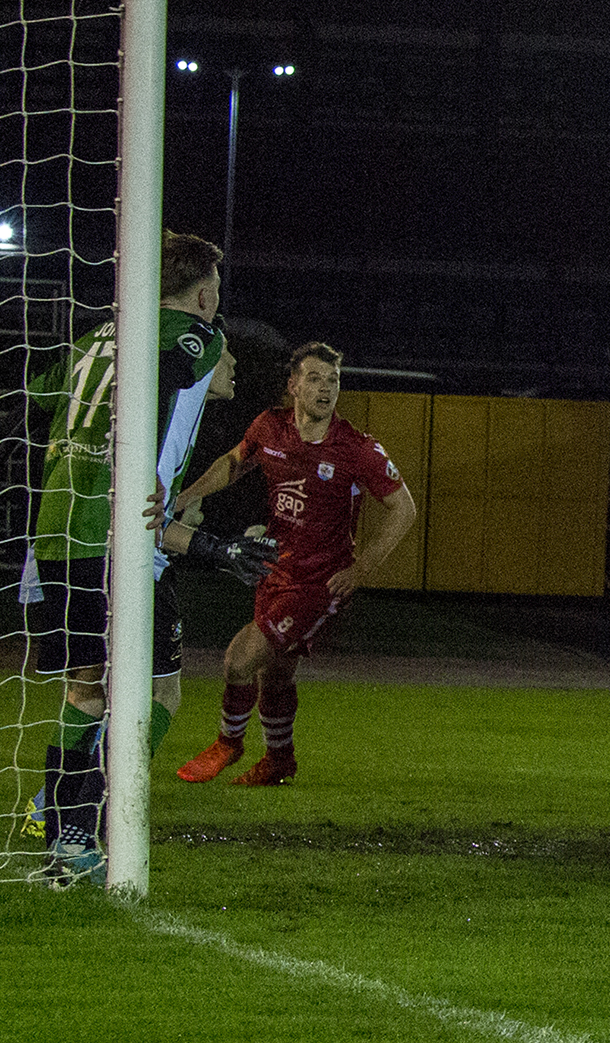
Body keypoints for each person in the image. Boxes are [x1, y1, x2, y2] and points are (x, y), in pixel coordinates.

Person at [25, 232, 275, 887]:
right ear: (201, 292)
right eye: (214, 293)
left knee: (85, 687)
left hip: (56, 522)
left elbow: (40, 393)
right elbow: (168, 371)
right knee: (158, 689)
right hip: (115, 532)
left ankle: (63, 828)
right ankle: (86, 814)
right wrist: (137, 461)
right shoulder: (193, 334)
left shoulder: (96, 336)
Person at [173, 342, 417, 787]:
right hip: (274, 570)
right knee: (277, 675)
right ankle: (280, 761)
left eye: (333, 381)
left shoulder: (356, 449)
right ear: (293, 385)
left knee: (239, 660)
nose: (325, 389)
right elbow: (234, 463)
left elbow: (404, 509)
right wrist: (185, 497)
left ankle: (228, 743)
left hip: (319, 583)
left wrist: (362, 570)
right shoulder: (269, 427)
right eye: (315, 378)